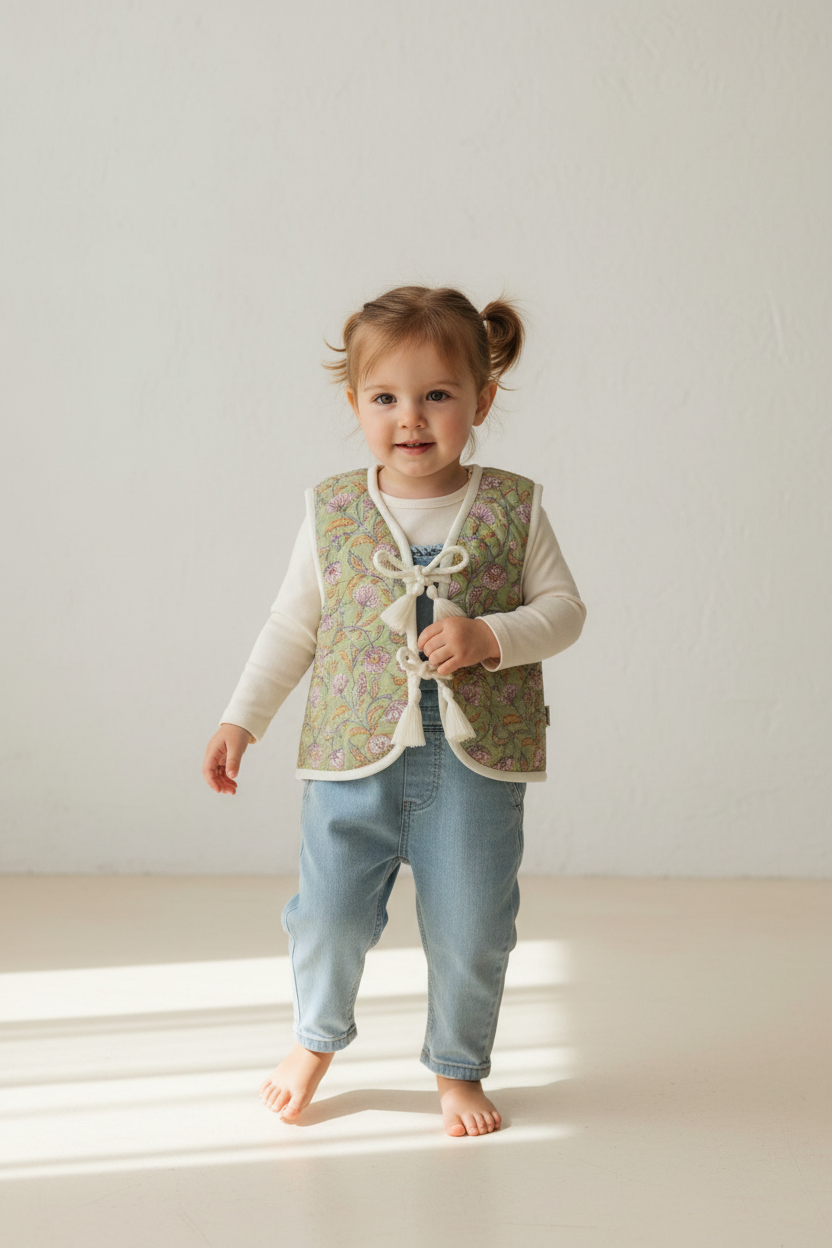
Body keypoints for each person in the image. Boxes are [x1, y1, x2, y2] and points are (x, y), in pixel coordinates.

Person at [202, 285, 586, 1138]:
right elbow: (292, 626)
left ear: (482, 400)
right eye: (385, 398)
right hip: (351, 758)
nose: (410, 418)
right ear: (355, 405)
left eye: (437, 395)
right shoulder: (332, 510)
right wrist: (242, 719)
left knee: (473, 926)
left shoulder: (515, 507)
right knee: (327, 915)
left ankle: (458, 1066)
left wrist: (490, 636)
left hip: (476, 763)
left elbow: (565, 612)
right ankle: (315, 1039)